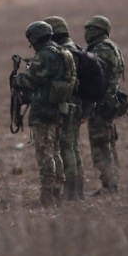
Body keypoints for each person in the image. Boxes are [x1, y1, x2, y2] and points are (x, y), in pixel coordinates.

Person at [12, 21, 76, 208]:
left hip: (43, 111)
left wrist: (16, 79)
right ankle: (57, 191)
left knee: (45, 154)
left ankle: (47, 195)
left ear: (35, 38)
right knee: (55, 152)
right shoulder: (65, 53)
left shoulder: (44, 55)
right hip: (60, 109)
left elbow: (31, 80)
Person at [43, 16, 86, 200]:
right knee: (73, 147)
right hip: (77, 105)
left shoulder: (65, 52)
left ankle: (72, 191)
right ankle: (78, 189)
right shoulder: (76, 48)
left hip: (67, 105)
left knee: (66, 147)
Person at [84, 15, 126, 195]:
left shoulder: (101, 49)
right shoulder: (112, 47)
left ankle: (109, 185)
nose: (86, 32)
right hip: (109, 103)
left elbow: (96, 79)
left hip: (101, 105)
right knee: (108, 144)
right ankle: (111, 184)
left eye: (89, 28)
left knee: (101, 146)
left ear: (97, 30)